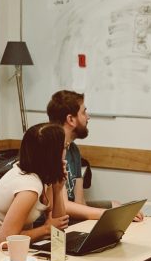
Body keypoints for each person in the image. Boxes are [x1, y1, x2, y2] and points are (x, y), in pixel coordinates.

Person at [46, 90, 142, 222]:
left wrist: (115, 212)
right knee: (117, 213)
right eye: (84, 112)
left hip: (71, 212)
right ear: (70, 119)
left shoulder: (73, 150)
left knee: (116, 205)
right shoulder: (51, 149)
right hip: (55, 218)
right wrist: (112, 215)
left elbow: (79, 202)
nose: (88, 117)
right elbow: (63, 206)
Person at [0, 122, 69, 248]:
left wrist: (58, 188)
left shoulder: (41, 176)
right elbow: (5, 241)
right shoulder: (29, 187)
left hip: (20, 249)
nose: (66, 152)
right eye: (65, 147)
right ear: (53, 154)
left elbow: (59, 226)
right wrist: (46, 229)